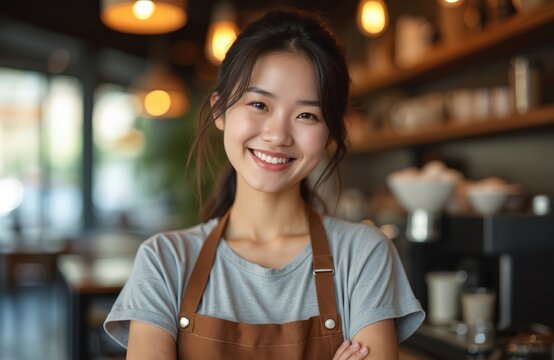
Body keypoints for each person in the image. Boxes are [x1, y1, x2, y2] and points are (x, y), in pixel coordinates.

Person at [104, 8, 424, 359]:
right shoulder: (164, 262)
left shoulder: (363, 254)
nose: (277, 135)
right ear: (220, 110)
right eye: (259, 104)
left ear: (330, 130)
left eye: (307, 115)